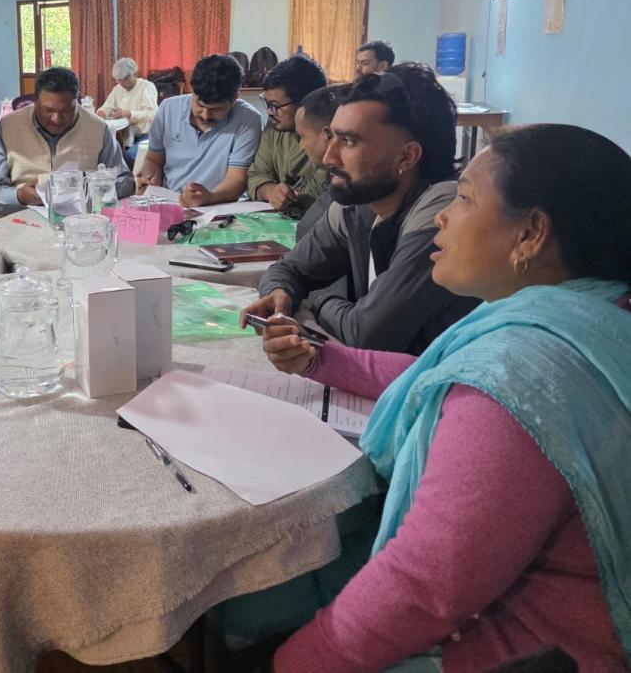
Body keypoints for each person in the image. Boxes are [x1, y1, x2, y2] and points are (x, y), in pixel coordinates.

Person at [252, 124, 631, 672]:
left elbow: (424, 584)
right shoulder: (597, 313)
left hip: (518, 651)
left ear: (530, 234)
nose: (441, 217)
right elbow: (437, 373)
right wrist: (321, 359)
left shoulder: (519, 378)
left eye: (466, 199)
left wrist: (295, 664)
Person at [243, 64, 478, 354]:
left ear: (407, 156)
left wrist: (314, 299)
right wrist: (280, 292)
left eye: (349, 141)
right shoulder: (360, 202)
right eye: (332, 137)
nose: (329, 158)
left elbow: (367, 333)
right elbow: (288, 269)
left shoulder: (443, 213)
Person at [0, 67, 133, 215]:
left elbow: (125, 181)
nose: (57, 119)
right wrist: (19, 196)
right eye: (48, 110)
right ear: (35, 102)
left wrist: (90, 188)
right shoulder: (8, 127)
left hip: (80, 221)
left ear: (77, 101)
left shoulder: (98, 129)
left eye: (66, 110)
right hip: (19, 218)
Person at [136, 53, 263, 208]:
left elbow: (237, 179)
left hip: (220, 206)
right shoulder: (168, 109)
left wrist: (210, 197)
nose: (205, 115)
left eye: (216, 109)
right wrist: (150, 180)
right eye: (200, 105)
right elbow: (154, 159)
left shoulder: (248, 119)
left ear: (235, 98)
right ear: (192, 90)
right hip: (172, 202)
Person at [246, 54, 329, 215]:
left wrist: (287, 197)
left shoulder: (331, 136)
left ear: (306, 103)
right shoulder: (275, 125)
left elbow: (317, 194)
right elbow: (256, 174)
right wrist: (270, 191)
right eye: (267, 104)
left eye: (275, 105)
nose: (270, 112)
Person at [291, 84, 343, 240]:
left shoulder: (349, 184)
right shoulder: (333, 175)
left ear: (328, 136)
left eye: (303, 136)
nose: (301, 145)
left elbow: (307, 232)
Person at [96, 57, 158, 166]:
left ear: (135, 74)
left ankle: (133, 177)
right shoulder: (118, 89)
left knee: (129, 157)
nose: (122, 83)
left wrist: (129, 113)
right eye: (119, 80)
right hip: (126, 137)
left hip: (147, 135)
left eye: (125, 79)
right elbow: (107, 107)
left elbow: (152, 114)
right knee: (103, 155)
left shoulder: (146, 87)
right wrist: (102, 112)